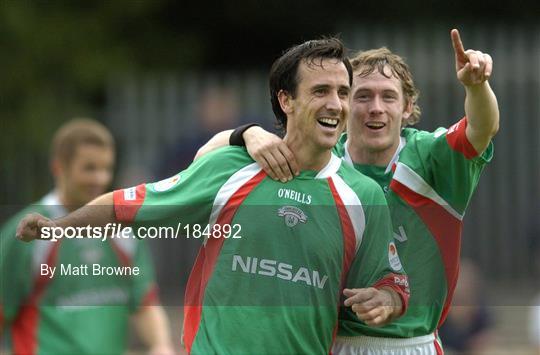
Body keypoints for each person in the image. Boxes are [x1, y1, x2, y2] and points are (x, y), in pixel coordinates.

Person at [15, 38, 409, 354]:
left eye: (343, 92)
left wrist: (386, 300)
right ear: (286, 100)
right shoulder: (231, 167)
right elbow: (126, 204)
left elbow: (392, 282)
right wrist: (57, 226)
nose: (336, 104)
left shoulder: (362, 196)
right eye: (321, 90)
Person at [196, 29, 499, 354]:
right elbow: (203, 163)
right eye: (362, 96)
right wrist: (245, 134)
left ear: (408, 107)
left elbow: (483, 127)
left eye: (389, 97)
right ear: (343, 103)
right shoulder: (319, 158)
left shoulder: (433, 160)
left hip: (412, 344)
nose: (376, 108)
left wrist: (476, 86)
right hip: (329, 343)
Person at [0, 119, 174, 354]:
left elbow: (144, 303)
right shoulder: (25, 234)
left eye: (106, 168)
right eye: (89, 168)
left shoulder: (124, 230)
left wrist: (160, 345)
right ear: (59, 167)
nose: (100, 178)